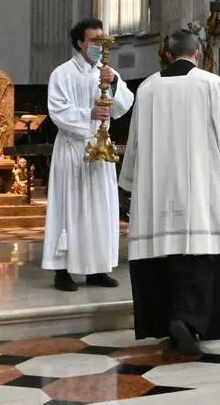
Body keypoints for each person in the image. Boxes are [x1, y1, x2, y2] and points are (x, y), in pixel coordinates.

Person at [119, 29, 220, 355]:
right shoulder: (211, 84)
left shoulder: (146, 88)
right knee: (198, 256)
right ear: (199, 53)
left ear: (167, 54)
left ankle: (167, 321)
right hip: (198, 189)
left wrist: (131, 180)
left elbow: (134, 141)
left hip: (156, 191)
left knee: (162, 256)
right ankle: (190, 321)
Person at [42, 18, 135, 292]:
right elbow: (57, 111)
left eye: (103, 41)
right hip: (73, 149)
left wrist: (115, 84)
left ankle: (98, 268)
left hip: (100, 145)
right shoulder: (62, 73)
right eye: (94, 41)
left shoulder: (106, 72)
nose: (100, 46)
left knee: (100, 208)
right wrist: (88, 114)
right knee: (70, 207)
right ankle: (63, 270)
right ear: (80, 43)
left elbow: (123, 106)